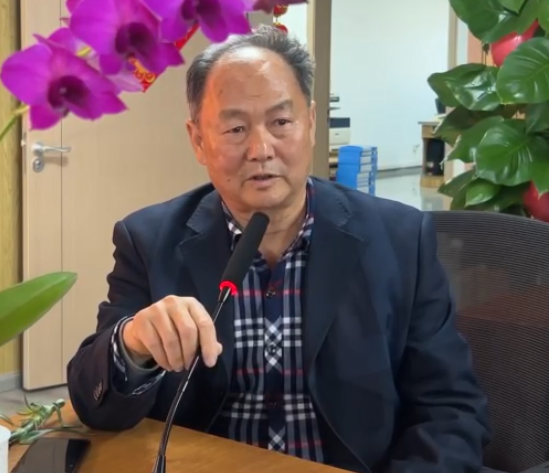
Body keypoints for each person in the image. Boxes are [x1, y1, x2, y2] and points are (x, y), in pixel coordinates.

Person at [66, 25, 491, 473]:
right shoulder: (149, 241)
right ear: (198, 141)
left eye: (281, 122)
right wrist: (133, 345)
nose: (261, 149)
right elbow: (96, 405)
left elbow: (451, 409)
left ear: (311, 124)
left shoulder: (401, 239)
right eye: (235, 128)